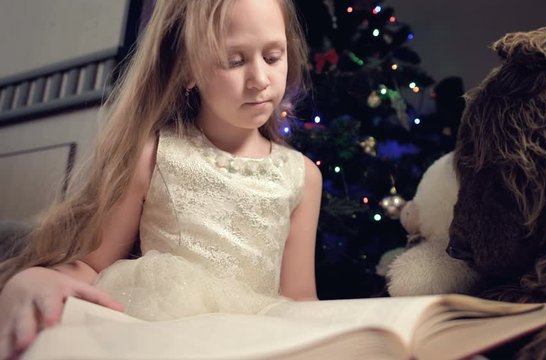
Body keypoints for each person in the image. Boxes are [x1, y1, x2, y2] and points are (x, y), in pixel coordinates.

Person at [0, 0, 322, 358]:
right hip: (160, 335)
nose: (260, 79)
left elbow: (300, 299)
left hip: (255, 343)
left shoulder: (303, 176)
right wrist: (32, 278)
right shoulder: (154, 155)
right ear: (188, 71)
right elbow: (93, 265)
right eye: (235, 60)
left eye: (274, 56)